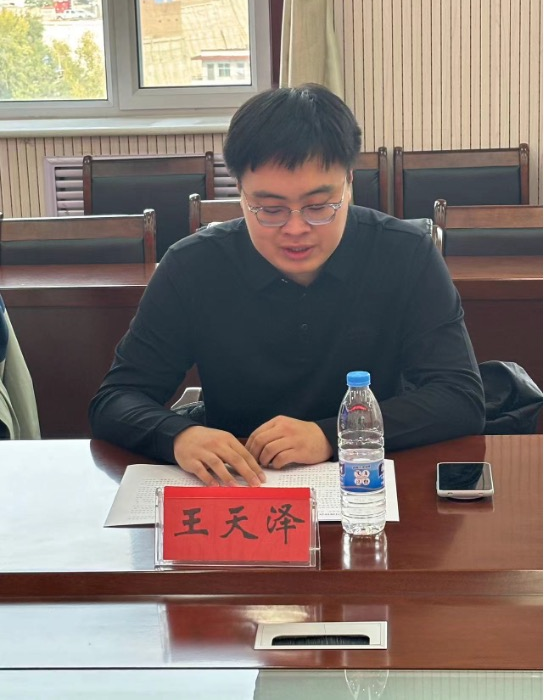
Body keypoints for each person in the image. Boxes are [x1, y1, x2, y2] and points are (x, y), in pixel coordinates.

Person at [89, 84, 485, 487]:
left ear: (349, 183)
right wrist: (178, 436)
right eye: (270, 209)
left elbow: (460, 397)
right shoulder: (192, 266)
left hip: (367, 483)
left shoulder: (405, 253)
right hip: (242, 487)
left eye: (319, 206)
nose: (296, 229)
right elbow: (115, 399)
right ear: (240, 194)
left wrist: (329, 435)